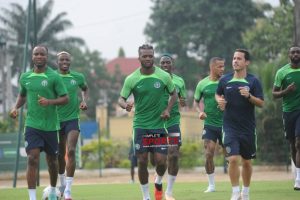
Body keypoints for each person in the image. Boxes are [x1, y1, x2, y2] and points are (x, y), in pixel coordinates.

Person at [9, 45, 69, 200]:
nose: (39, 56)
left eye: (42, 54)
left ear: (47, 57)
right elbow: (22, 96)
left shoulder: (54, 77)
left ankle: (54, 191)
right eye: (36, 54)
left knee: (52, 162)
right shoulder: (25, 77)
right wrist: (16, 107)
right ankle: (32, 198)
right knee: (32, 158)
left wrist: (49, 101)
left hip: (50, 126)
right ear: (32, 57)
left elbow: (65, 98)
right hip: (32, 125)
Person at [118, 44, 177, 200]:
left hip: (158, 125)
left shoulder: (164, 76)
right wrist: (126, 105)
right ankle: (146, 197)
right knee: (142, 161)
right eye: (145, 56)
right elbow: (121, 99)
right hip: (141, 126)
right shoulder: (132, 78)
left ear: (153, 57)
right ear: (139, 58)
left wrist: (168, 110)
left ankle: (158, 181)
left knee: (161, 161)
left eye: (150, 56)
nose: (148, 58)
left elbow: (174, 94)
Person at [215, 49, 264, 200]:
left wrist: (249, 96)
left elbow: (261, 103)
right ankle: (235, 193)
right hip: (230, 127)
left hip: (248, 129)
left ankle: (246, 193)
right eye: (234, 58)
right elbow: (217, 94)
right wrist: (219, 101)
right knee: (233, 159)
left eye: (239, 59)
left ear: (247, 62)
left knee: (247, 162)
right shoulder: (224, 80)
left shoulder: (253, 81)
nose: (235, 61)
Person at [56, 51, 88, 200]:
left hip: (72, 118)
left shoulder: (78, 77)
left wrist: (84, 101)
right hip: (55, 120)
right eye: (62, 59)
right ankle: (61, 183)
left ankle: (68, 189)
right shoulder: (52, 78)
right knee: (59, 154)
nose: (64, 61)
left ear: (70, 61)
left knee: (72, 150)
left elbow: (85, 88)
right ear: (57, 62)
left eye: (67, 59)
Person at [193, 57, 225, 193]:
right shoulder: (202, 84)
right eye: (220, 66)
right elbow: (195, 102)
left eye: (223, 66)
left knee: (231, 156)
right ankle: (211, 185)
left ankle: (237, 187)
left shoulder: (227, 82)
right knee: (208, 153)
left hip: (226, 125)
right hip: (210, 124)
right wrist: (200, 112)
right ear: (212, 67)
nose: (222, 69)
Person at [158, 54, 186, 200]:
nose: (165, 65)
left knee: (174, 154)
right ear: (159, 64)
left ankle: (168, 192)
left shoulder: (180, 81)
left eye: (168, 62)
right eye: (162, 62)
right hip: (156, 123)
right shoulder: (155, 79)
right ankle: (158, 181)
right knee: (159, 160)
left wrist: (182, 102)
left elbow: (183, 100)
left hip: (173, 122)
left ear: (172, 64)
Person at [272, 46, 300, 191]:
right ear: (289, 55)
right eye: (293, 52)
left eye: (298, 52)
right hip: (289, 112)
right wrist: (286, 91)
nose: (296, 54)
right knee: (292, 145)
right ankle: (297, 174)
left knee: (298, 143)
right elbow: (274, 94)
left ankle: (298, 180)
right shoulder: (282, 72)